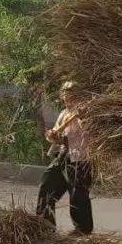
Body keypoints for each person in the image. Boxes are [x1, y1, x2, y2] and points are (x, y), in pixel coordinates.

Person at [36, 82, 93, 234]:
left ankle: (82, 232)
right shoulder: (63, 113)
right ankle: (45, 227)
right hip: (63, 155)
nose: (67, 96)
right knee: (46, 187)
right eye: (65, 93)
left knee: (78, 196)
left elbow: (89, 131)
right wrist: (51, 135)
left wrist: (83, 118)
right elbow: (57, 135)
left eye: (70, 93)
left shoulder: (85, 111)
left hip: (80, 159)